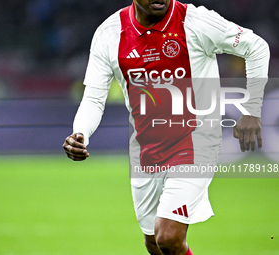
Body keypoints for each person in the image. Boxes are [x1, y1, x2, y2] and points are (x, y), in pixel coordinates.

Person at [63, 0, 270, 254]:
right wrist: (80, 133)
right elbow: (94, 98)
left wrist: (252, 110)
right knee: (154, 244)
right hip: (145, 148)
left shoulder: (195, 21)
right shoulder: (109, 33)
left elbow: (257, 47)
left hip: (195, 140)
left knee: (168, 236)